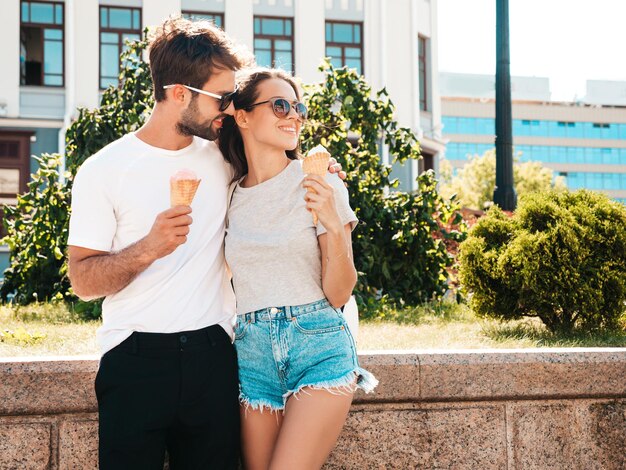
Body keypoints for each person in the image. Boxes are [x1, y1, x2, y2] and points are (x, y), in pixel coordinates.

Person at [67, 18, 344, 469]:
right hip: (133, 358)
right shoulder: (103, 169)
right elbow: (82, 279)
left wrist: (324, 167)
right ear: (179, 93)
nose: (229, 108)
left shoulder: (223, 156)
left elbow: (276, 156)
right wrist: (148, 247)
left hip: (214, 357)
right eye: (222, 97)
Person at [218, 67, 378, 470]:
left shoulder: (321, 182)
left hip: (318, 347)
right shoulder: (228, 194)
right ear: (242, 116)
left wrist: (331, 223)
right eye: (280, 105)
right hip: (252, 356)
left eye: (298, 108)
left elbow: (340, 292)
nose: (294, 116)